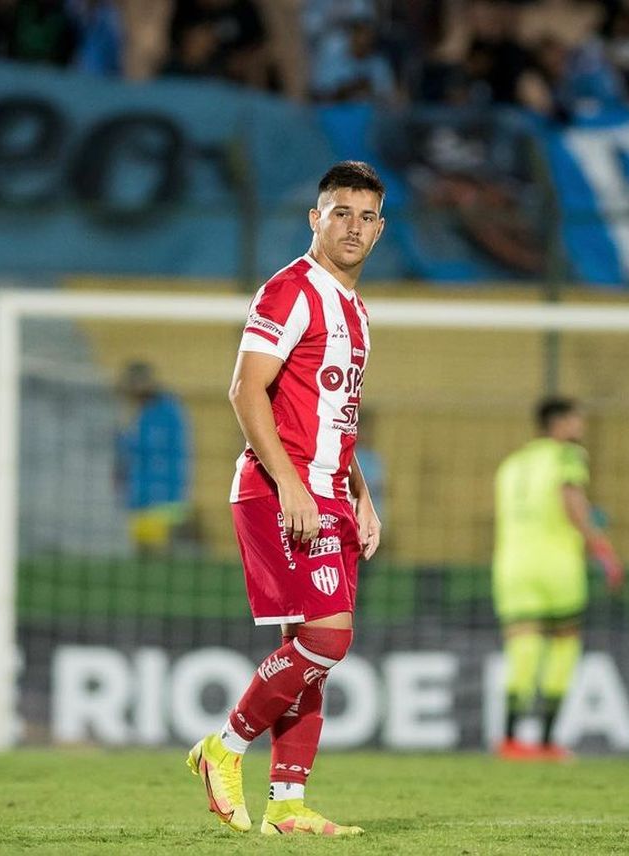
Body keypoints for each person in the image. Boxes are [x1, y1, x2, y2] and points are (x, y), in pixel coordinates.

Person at [186, 161, 385, 836]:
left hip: (329, 492)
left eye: (366, 216)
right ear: (315, 218)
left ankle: (289, 805)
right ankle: (224, 746)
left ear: (380, 228)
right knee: (329, 639)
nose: (353, 228)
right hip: (282, 491)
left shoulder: (356, 310)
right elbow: (246, 390)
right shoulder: (291, 290)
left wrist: (363, 495)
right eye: (340, 213)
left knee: (309, 656)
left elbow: (339, 417)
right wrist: (294, 485)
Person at [492, 396, 623, 761]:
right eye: (576, 421)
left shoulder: (511, 464)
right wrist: (601, 547)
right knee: (564, 645)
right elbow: (570, 497)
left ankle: (510, 739)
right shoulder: (568, 455)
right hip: (556, 563)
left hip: (512, 565)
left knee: (523, 648)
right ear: (560, 424)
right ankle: (548, 741)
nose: (580, 428)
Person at [115, 360, 190, 554]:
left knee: (162, 558)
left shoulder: (167, 410)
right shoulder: (140, 411)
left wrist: (126, 434)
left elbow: (150, 445)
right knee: (143, 560)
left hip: (163, 496)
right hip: (140, 494)